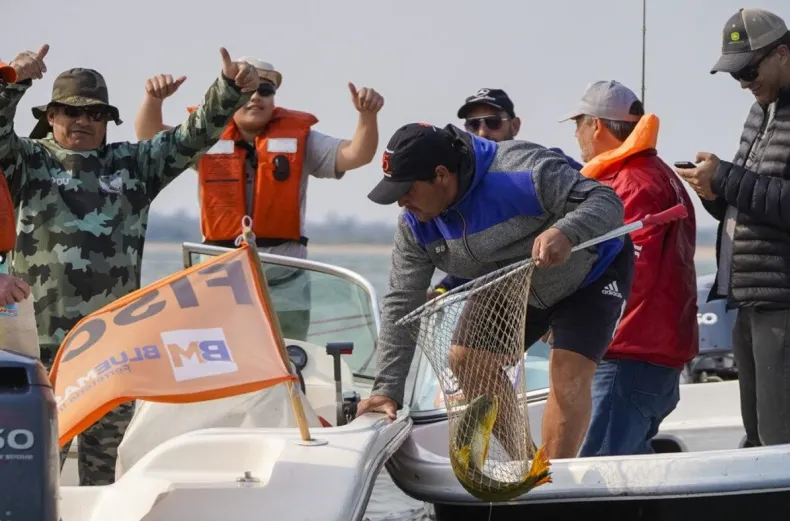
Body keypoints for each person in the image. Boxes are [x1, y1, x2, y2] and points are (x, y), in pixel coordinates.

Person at [0, 44, 260, 485]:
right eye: (70, 112)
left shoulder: (134, 165)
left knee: (104, 474)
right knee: (31, 471)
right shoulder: (26, 160)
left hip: (113, 348)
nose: (83, 121)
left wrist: (230, 89)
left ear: (107, 121)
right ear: (51, 115)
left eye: (95, 114)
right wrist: (12, 81)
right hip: (40, 346)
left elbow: (192, 136)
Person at [356, 122, 635, 459]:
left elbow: (606, 201)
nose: (401, 202)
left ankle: (557, 481)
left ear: (441, 175)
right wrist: (386, 389)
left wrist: (567, 231)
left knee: (567, 374)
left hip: (590, 273)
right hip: (511, 283)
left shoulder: (521, 170)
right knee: (465, 360)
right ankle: (529, 470)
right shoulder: (414, 226)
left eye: (407, 189)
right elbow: (402, 302)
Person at [133, 57, 384, 341]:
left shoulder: (303, 139)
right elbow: (149, 137)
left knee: (291, 360)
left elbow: (356, 155)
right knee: (220, 364)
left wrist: (367, 116)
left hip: (287, 280)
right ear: (229, 96)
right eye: (245, 92)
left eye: (265, 91)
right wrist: (153, 100)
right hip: (217, 278)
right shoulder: (203, 135)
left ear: (273, 97)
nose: (255, 98)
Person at [560, 80, 699, 456]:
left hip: (628, 355)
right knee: (628, 469)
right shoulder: (659, 175)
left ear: (597, 126)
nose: (576, 135)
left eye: (578, 124)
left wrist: (570, 314)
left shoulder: (630, 183)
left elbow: (629, 276)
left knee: (599, 477)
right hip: (651, 355)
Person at [676, 8, 790, 447]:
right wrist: (714, 194)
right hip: (750, 302)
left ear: (781, 53)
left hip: (781, 304)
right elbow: (753, 201)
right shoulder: (760, 111)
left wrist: (725, 178)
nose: (743, 83)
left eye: (747, 70)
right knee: (758, 437)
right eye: (734, 76)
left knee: (779, 443)